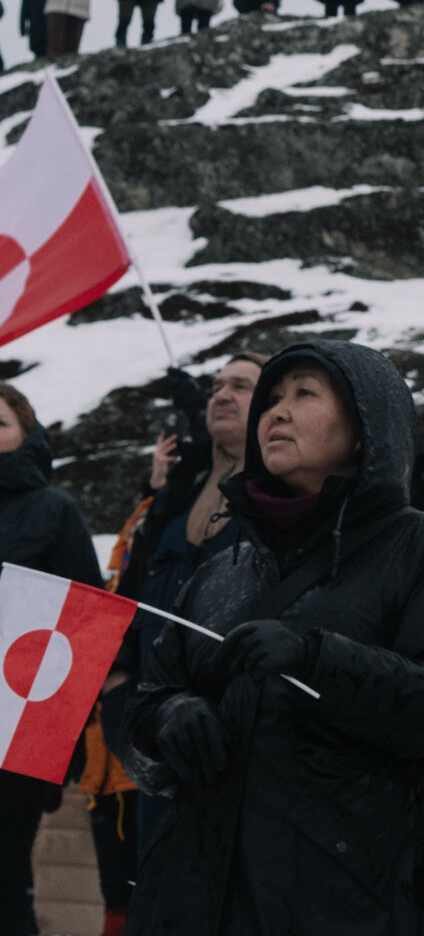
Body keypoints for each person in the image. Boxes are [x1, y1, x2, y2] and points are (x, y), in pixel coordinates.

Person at [103, 342, 424, 936]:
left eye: (305, 394)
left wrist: (319, 659)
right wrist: (169, 719)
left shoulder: (422, 545)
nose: (275, 413)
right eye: (272, 400)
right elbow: (145, 703)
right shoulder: (226, 569)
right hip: (194, 911)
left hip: (345, 922)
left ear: (366, 425)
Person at [109, 356, 265, 862]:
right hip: (151, 728)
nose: (222, 394)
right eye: (217, 385)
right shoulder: (177, 491)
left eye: (241, 385)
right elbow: (131, 587)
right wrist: (117, 686)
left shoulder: (283, 499)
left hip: (235, 741)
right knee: (151, 877)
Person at [0, 383, 103, 936]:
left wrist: (51, 748)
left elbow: (82, 629)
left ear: (27, 433)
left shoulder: (52, 510)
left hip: (12, 737)